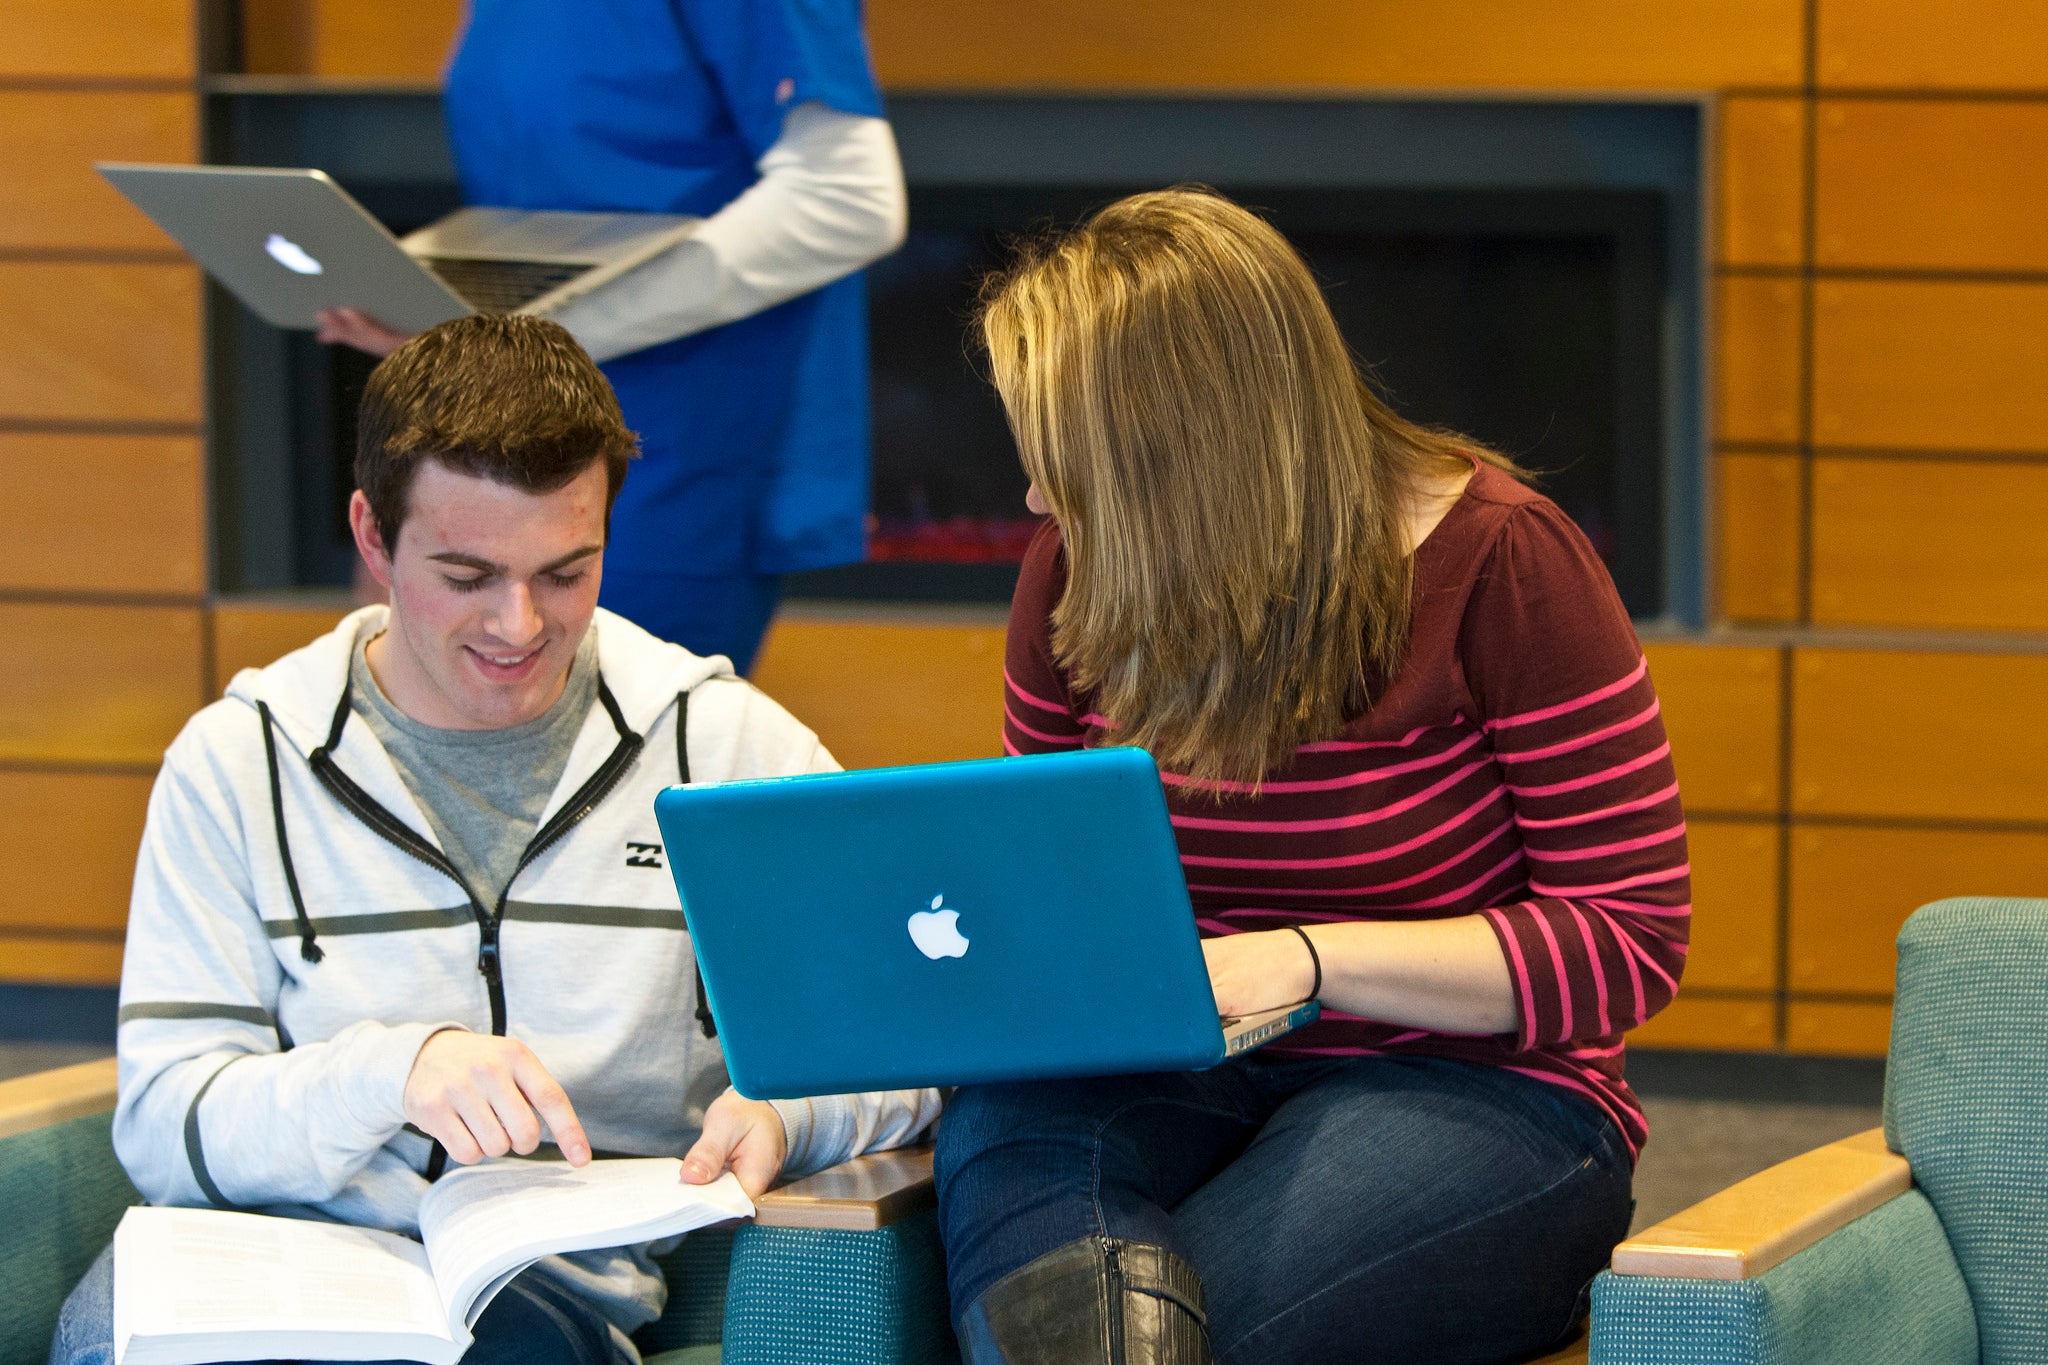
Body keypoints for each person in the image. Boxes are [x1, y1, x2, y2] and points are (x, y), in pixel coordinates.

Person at [50, 315, 940, 1365]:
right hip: (263, 1263)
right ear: (372, 539)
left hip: (544, 1295)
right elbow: (164, 1121)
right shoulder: (238, 759)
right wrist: (386, 1073)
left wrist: (794, 1119)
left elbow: (912, 1033)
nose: (519, 626)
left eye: (565, 573)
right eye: (467, 577)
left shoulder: (723, 741)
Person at [933, 190, 1691, 1365]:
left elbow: (1624, 941)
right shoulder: (1074, 568)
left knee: (1151, 1343)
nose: (1036, 503)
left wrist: (1306, 958)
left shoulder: (1503, 563)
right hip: (1160, 1069)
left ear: (1184, 448)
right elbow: (1051, 881)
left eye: (1064, 468)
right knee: (1044, 1278)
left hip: (1473, 1094)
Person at [317, 0, 905, 674]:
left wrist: (550, 330)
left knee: (611, 752)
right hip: (508, 432)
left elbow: (848, 199)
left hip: (677, 451)